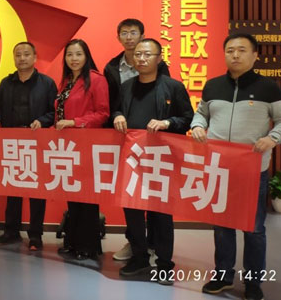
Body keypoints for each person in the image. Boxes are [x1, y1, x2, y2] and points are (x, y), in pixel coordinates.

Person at [194, 33, 281, 300]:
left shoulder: (268, 88)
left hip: (252, 170)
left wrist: (272, 138)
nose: (235, 55)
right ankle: (223, 276)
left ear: (255, 55)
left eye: (241, 50)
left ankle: (253, 282)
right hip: (219, 169)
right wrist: (198, 126)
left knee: (254, 228)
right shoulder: (213, 85)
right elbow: (201, 113)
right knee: (221, 225)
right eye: (230, 50)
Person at [112, 39, 193, 283]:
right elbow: (115, 109)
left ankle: (165, 264)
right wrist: (117, 116)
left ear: (159, 58)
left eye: (147, 54)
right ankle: (139, 258)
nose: (141, 58)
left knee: (161, 214)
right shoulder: (126, 86)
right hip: (133, 159)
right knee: (133, 211)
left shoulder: (173, 87)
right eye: (138, 54)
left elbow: (188, 118)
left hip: (161, 160)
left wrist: (167, 123)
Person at [104, 18, 170, 262]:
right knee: (130, 194)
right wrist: (117, 115)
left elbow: (166, 99)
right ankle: (135, 244)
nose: (129, 37)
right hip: (126, 138)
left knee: (155, 197)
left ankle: (155, 245)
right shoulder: (112, 67)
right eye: (124, 33)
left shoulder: (160, 67)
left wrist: (164, 123)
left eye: (133, 33)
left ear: (142, 36)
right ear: (118, 37)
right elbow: (112, 103)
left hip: (154, 141)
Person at [0, 41, 57, 250]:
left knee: (37, 191)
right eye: (18, 55)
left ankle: (35, 235)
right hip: (12, 143)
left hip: (37, 143)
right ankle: (11, 231)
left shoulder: (47, 83)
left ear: (35, 58)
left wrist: (42, 121)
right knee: (13, 189)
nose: (22, 58)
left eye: (26, 54)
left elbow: (54, 111)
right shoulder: (6, 82)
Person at [55, 38, 109, 260]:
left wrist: (74, 122)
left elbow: (103, 113)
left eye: (78, 54)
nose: (74, 59)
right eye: (69, 55)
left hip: (87, 145)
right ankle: (72, 241)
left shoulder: (97, 79)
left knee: (87, 197)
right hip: (68, 147)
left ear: (86, 56)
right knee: (73, 194)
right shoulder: (66, 81)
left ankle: (88, 246)